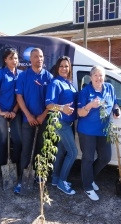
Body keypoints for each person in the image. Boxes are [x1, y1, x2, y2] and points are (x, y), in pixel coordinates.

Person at [77, 65, 121, 201]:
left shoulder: (109, 88)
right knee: (88, 158)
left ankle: (89, 178)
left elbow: (115, 103)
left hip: (104, 130)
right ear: (91, 77)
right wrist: (90, 105)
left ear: (104, 77)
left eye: (101, 75)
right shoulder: (85, 91)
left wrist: (116, 110)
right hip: (87, 131)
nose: (98, 78)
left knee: (105, 157)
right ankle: (87, 186)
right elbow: (80, 113)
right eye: (95, 75)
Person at [14, 48, 53, 194]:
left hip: (43, 120)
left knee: (40, 150)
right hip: (27, 120)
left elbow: (52, 100)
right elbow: (19, 98)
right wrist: (29, 116)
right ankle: (22, 180)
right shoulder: (23, 76)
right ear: (30, 59)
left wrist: (44, 114)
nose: (39, 59)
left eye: (41, 56)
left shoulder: (49, 77)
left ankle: (37, 175)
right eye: (36, 56)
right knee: (26, 151)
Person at [45, 56, 78, 195]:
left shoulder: (68, 82)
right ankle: (62, 182)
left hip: (68, 122)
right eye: (61, 66)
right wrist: (62, 108)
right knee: (73, 152)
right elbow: (49, 104)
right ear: (57, 68)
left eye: (66, 66)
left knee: (61, 152)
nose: (64, 68)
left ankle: (55, 178)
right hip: (60, 122)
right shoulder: (55, 83)